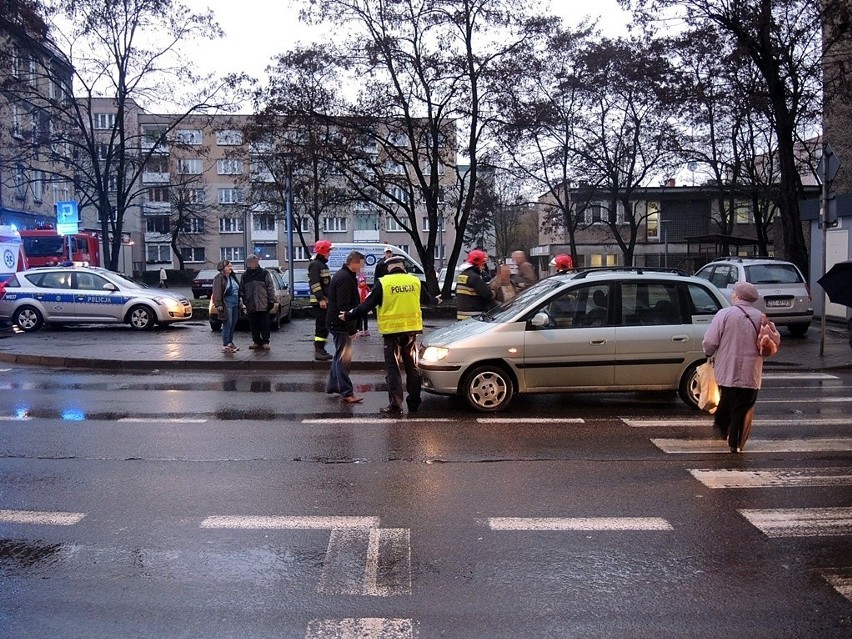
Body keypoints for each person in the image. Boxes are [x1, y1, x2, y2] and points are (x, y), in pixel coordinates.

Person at [341, 255, 440, 415]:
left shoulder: (383, 283)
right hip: (411, 332)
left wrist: (348, 315)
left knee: (393, 370)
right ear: (402, 266)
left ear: (389, 268)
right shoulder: (414, 281)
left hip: (392, 333)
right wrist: (436, 301)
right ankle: (414, 404)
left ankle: (395, 405)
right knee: (412, 369)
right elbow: (428, 300)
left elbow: (366, 305)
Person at [702, 281, 780, 453]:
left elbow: (710, 341)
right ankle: (735, 441)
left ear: (738, 296)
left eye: (734, 292)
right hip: (751, 371)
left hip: (727, 370)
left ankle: (723, 425)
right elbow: (773, 342)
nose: (732, 295)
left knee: (728, 399)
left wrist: (708, 353)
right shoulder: (761, 317)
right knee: (743, 406)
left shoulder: (724, 314)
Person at [326, 251, 366, 403]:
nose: (362, 267)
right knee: (344, 359)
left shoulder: (344, 275)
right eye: (361, 264)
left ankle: (334, 385)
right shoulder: (345, 278)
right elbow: (344, 306)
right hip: (340, 323)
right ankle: (347, 393)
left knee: (339, 356)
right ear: (353, 262)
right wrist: (351, 328)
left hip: (336, 322)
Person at [240, 254, 275, 350]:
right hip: (251, 304)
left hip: (263, 303)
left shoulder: (264, 273)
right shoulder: (245, 275)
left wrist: (271, 300)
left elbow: (270, 287)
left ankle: (265, 341)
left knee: (264, 323)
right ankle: (256, 341)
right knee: (254, 324)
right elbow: (242, 289)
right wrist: (245, 301)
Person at [308, 240, 334, 361]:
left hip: (324, 301)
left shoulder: (322, 265)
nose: (330, 253)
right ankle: (319, 350)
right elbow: (315, 284)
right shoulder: (315, 265)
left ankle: (321, 349)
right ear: (323, 251)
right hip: (320, 302)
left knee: (324, 325)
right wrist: (321, 299)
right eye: (329, 250)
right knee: (321, 325)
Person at [455, 249, 496, 320]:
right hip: (474, 316)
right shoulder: (474, 277)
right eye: (483, 264)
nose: (483, 267)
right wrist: (494, 292)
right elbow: (488, 295)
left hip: (461, 316)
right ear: (478, 264)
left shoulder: (462, 276)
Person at [212, 260, 241, 353]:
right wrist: (218, 304)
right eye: (228, 266)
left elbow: (238, 289)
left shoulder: (232, 277)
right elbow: (217, 292)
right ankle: (226, 344)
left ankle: (230, 342)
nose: (230, 268)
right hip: (226, 303)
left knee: (233, 324)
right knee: (227, 323)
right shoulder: (219, 278)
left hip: (235, 303)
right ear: (223, 268)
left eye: (231, 266)